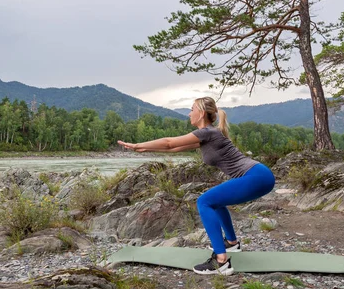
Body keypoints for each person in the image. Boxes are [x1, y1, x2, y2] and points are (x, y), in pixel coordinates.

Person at [117, 97, 275, 275]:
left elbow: (169, 142)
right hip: (259, 175)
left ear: (200, 113)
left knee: (204, 202)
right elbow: (172, 148)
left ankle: (221, 261)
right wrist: (144, 149)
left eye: (191, 109)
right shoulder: (208, 134)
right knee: (216, 202)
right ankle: (231, 243)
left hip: (256, 176)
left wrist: (137, 144)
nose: (189, 113)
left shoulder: (207, 132)